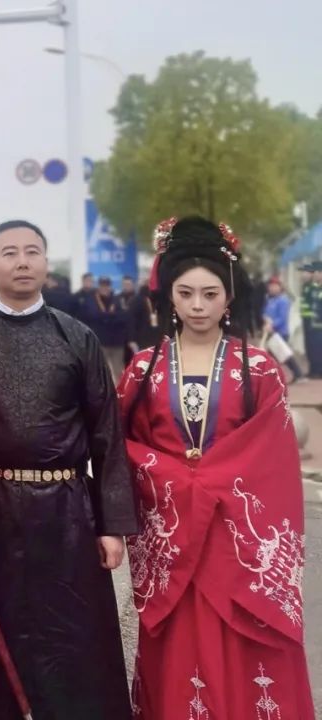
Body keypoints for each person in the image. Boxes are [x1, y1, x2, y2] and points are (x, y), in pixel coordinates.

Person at [118, 216, 314, 718]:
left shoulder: (259, 368)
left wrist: (204, 480)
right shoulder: (143, 369)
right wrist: (178, 479)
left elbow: (272, 454)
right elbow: (120, 447)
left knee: (248, 646)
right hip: (173, 535)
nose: (198, 305)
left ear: (229, 297)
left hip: (236, 536)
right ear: (169, 297)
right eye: (186, 293)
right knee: (181, 650)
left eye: (210, 294)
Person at [0, 220, 136, 720]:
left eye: (32, 251)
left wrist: (112, 525)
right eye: (10, 253)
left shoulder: (76, 336)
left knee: (73, 637)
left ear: (46, 264)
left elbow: (106, 431)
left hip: (67, 511)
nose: (22, 261)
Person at [79, 276, 129, 377]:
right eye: (102, 286)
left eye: (107, 286)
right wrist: (110, 316)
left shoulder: (117, 299)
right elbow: (92, 315)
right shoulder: (92, 299)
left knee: (119, 371)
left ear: (110, 286)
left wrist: (106, 317)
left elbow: (123, 316)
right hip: (100, 341)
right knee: (100, 372)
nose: (105, 288)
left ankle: (120, 388)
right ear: (99, 286)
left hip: (116, 342)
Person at [263, 276, 305, 382]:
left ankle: (296, 374)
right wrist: (265, 320)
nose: (272, 288)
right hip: (270, 332)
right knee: (281, 355)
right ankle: (296, 374)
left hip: (280, 332)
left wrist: (272, 325)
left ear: (280, 287)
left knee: (281, 355)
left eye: (274, 286)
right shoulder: (269, 300)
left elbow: (282, 318)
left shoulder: (283, 300)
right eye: (270, 286)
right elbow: (265, 313)